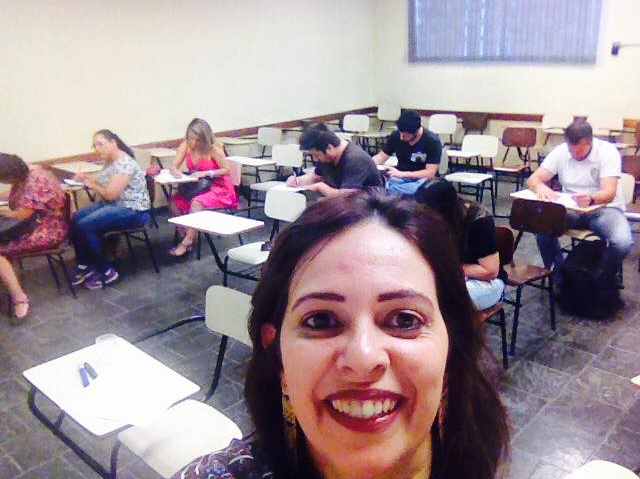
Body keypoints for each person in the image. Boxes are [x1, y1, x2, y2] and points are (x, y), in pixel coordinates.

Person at [175, 191, 508, 479]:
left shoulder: (474, 452)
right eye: (320, 320)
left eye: (405, 320)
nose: (363, 358)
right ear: (277, 351)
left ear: (451, 345)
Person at [527, 119, 633, 278]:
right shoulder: (561, 151)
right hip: (571, 209)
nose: (576, 155)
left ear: (591, 142)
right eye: (572, 151)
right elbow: (533, 179)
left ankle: (601, 278)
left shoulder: (607, 151)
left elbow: (609, 192)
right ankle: (560, 277)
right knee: (541, 226)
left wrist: (591, 199)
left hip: (604, 209)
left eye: (580, 151)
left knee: (622, 243)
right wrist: (541, 187)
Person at [70, 130, 150, 289]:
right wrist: (84, 178)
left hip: (133, 209)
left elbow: (111, 194)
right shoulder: (110, 160)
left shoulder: (124, 163)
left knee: (85, 226)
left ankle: (106, 271)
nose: (97, 149)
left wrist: (90, 184)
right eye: (94, 146)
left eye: (100, 144)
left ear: (113, 142)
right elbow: (102, 178)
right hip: (114, 205)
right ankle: (85, 265)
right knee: (76, 218)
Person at [415, 179, 505, 310]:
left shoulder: (480, 221)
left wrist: (446, 267)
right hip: (452, 274)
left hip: (485, 281)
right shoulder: (430, 220)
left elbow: (490, 271)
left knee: (440, 301)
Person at [0, 154, 67, 322]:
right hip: (35, 224)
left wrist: (1, 211)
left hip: (47, 229)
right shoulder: (26, 173)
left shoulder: (35, 181)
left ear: (9, 174)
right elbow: (12, 196)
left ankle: (19, 298)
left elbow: (21, 215)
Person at [169, 118, 238, 256]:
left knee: (196, 203)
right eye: (191, 138)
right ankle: (185, 233)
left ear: (205, 138)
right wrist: (176, 172)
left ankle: (187, 241)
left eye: (198, 140)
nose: (194, 143)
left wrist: (207, 172)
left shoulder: (214, 149)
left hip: (219, 188)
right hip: (199, 186)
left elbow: (226, 170)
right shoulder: (186, 145)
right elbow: (173, 165)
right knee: (173, 202)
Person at [285, 123, 383, 196]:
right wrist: (298, 181)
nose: (315, 159)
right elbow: (317, 176)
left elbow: (346, 196)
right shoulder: (326, 156)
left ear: (329, 148)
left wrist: (320, 187)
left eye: (316, 155)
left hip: (369, 208)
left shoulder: (356, 160)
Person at [372, 110, 443, 196]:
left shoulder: (432, 141)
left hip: (422, 179)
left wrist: (402, 174)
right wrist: (369, 165)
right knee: (376, 182)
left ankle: (389, 189)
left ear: (416, 132)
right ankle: (390, 189)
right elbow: (382, 156)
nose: (401, 137)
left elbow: (430, 173)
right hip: (400, 177)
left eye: (405, 135)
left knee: (418, 189)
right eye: (400, 133)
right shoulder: (396, 135)